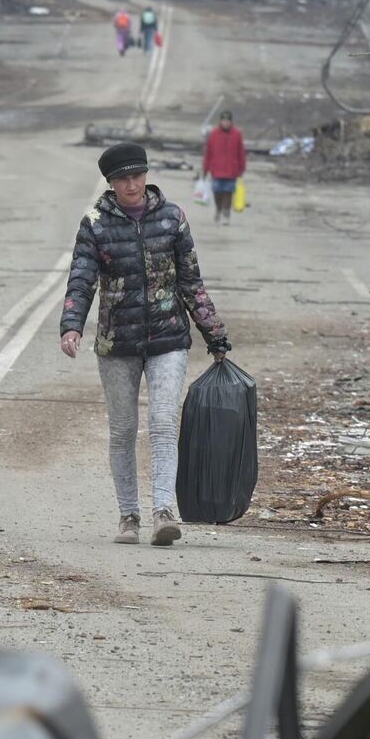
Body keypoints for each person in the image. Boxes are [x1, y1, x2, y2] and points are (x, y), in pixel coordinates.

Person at [59, 142, 231, 546]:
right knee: (123, 430)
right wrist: (71, 325)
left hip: (168, 338)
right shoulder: (95, 224)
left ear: (147, 175)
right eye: (122, 178)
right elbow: (81, 279)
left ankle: (163, 512)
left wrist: (215, 334)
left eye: (137, 175)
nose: (131, 184)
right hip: (117, 342)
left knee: (163, 424)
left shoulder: (173, 219)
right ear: (110, 182)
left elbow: (191, 283)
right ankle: (128, 516)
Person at [200, 111, 247, 225]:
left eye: (228, 121)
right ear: (220, 121)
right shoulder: (214, 134)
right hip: (216, 169)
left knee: (228, 192)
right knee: (217, 192)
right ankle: (218, 210)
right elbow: (208, 153)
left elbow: (241, 152)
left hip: (231, 169)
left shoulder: (237, 134)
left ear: (231, 122)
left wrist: (242, 168)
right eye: (224, 121)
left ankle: (226, 214)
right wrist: (205, 169)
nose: (225, 123)